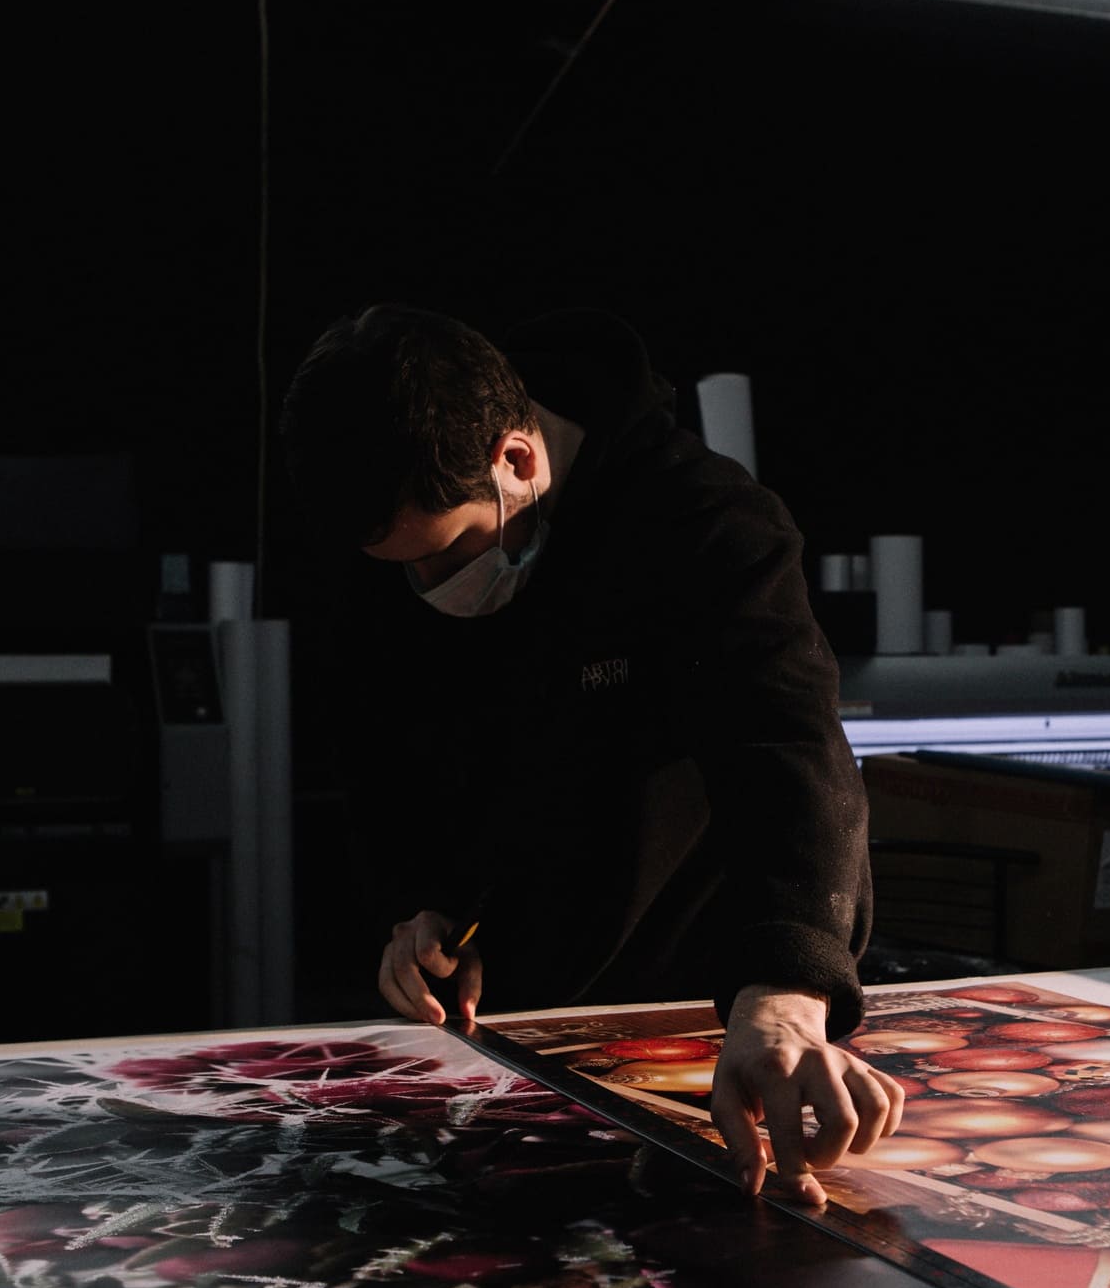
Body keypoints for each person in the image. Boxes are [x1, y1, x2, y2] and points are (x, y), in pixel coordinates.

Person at [281, 305, 904, 1204]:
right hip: (508, 1041)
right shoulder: (393, 510)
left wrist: (785, 982)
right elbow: (393, 757)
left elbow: (788, 748)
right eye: (403, 568)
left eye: (450, 557)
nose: (427, 589)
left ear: (516, 460)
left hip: (701, 1013)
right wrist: (424, 910)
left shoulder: (702, 521)